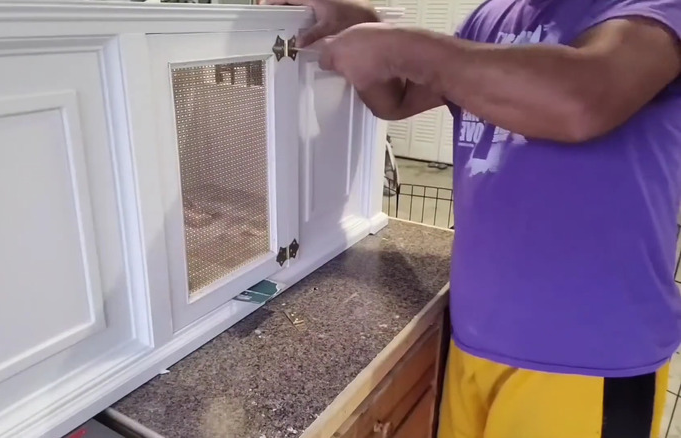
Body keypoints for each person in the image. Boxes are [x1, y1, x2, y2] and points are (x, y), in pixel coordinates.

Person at [262, 0, 681, 436]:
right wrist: (363, 27)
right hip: (476, 338)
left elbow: (582, 101)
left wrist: (403, 48)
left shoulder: (651, 8)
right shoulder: (492, 17)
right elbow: (398, 97)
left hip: (588, 359)